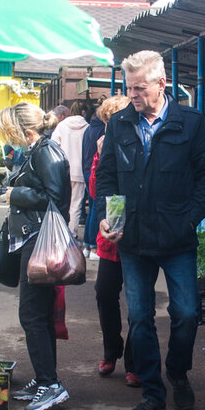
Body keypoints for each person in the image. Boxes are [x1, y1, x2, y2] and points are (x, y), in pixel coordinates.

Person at [96, 50, 205, 410]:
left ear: (161, 83)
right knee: (139, 317)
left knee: (186, 313)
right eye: (129, 88)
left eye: (139, 88)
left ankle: (178, 372)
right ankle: (152, 392)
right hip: (133, 240)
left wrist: (190, 219)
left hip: (177, 238)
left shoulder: (193, 123)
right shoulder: (118, 124)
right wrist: (111, 218)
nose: (132, 94)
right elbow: (108, 177)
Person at [0, 102, 72, 410]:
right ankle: (45, 380)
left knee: (32, 315)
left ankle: (50, 384)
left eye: (10, 131)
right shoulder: (38, 149)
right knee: (38, 315)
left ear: (23, 130)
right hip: (34, 239)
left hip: (40, 241)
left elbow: (57, 200)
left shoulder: (46, 151)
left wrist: (16, 194)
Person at [88, 95, 136, 384]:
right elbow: (96, 193)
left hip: (139, 234)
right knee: (105, 292)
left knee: (138, 303)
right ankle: (111, 349)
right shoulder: (102, 149)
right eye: (107, 123)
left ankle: (135, 361)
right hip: (111, 236)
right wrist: (100, 157)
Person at [51, 100, 90, 240]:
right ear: (84, 112)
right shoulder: (87, 128)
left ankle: (58, 233)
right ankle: (70, 235)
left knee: (61, 203)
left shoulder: (61, 126)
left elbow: (53, 146)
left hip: (63, 171)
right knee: (76, 205)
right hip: (80, 171)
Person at [80, 99, 105, 252]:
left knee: (92, 209)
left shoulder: (88, 129)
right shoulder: (102, 131)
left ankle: (88, 244)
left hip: (87, 170)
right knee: (96, 209)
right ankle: (93, 245)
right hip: (96, 170)